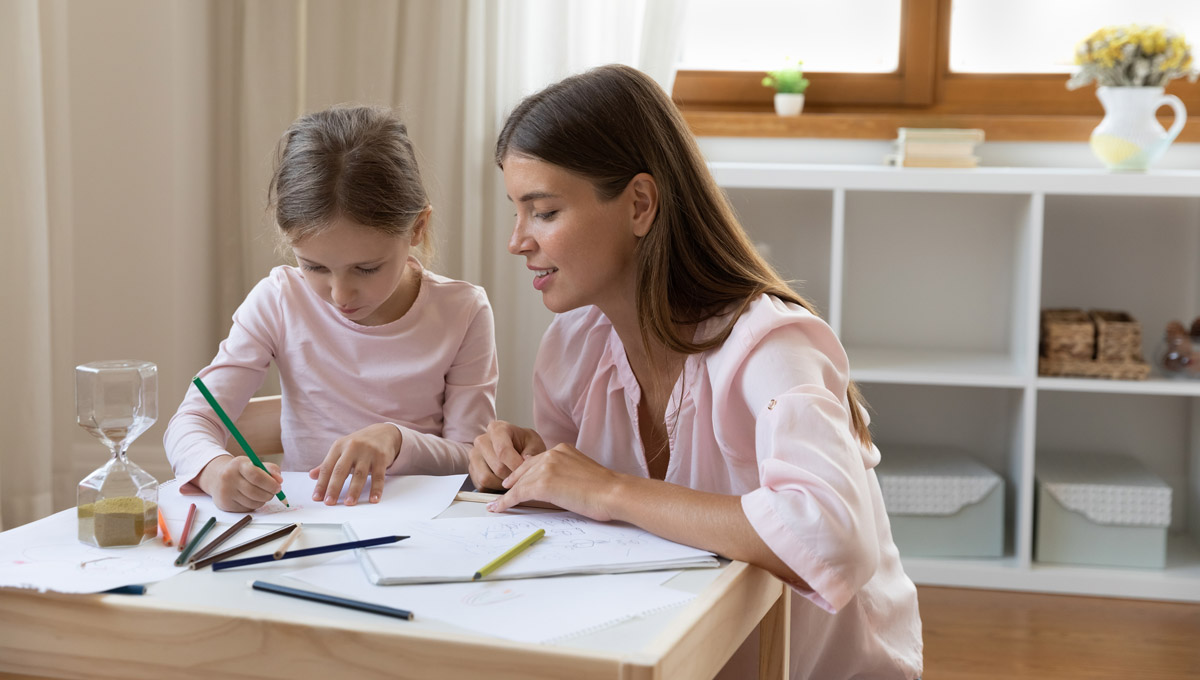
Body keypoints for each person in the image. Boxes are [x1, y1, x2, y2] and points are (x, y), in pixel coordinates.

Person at [469, 65, 922, 679]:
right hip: (676, 655)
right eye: (516, 213)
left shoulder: (769, 345)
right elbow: (584, 515)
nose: (517, 241)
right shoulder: (572, 348)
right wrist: (528, 467)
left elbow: (833, 537)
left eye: (543, 212)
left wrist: (606, 488)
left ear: (639, 204)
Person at [166, 104, 497, 512]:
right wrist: (214, 470)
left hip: (424, 530)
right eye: (315, 267)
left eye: (367, 268)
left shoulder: (463, 311)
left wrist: (396, 440)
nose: (341, 295)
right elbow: (193, 419)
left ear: (417, 227)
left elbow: (469, 459)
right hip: (308, 527)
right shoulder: (279, 300)